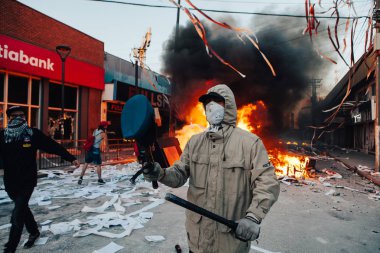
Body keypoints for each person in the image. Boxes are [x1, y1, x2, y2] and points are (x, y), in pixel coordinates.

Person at [144, 84, 280, 253]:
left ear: (229, 106)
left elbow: (267, 183)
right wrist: (161, 174)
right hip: (198, 240)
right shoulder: (195, 142)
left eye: (217, 101)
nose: (211, 106)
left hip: (230, 244)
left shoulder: (250, 143)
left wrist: (253, 216)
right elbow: (178, 174)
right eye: (207, 102)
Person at [0, 106, 80, 253]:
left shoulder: (32, 134)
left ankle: (10, 249)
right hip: (10, 181)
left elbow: (52, 146)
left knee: (17, 214)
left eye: (22, 115)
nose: (19, 118)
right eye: (14, 115)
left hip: (27, 180)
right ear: (9, 118)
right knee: (22, 208)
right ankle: (34, 231)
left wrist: (70, 158)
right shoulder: (3, 135)